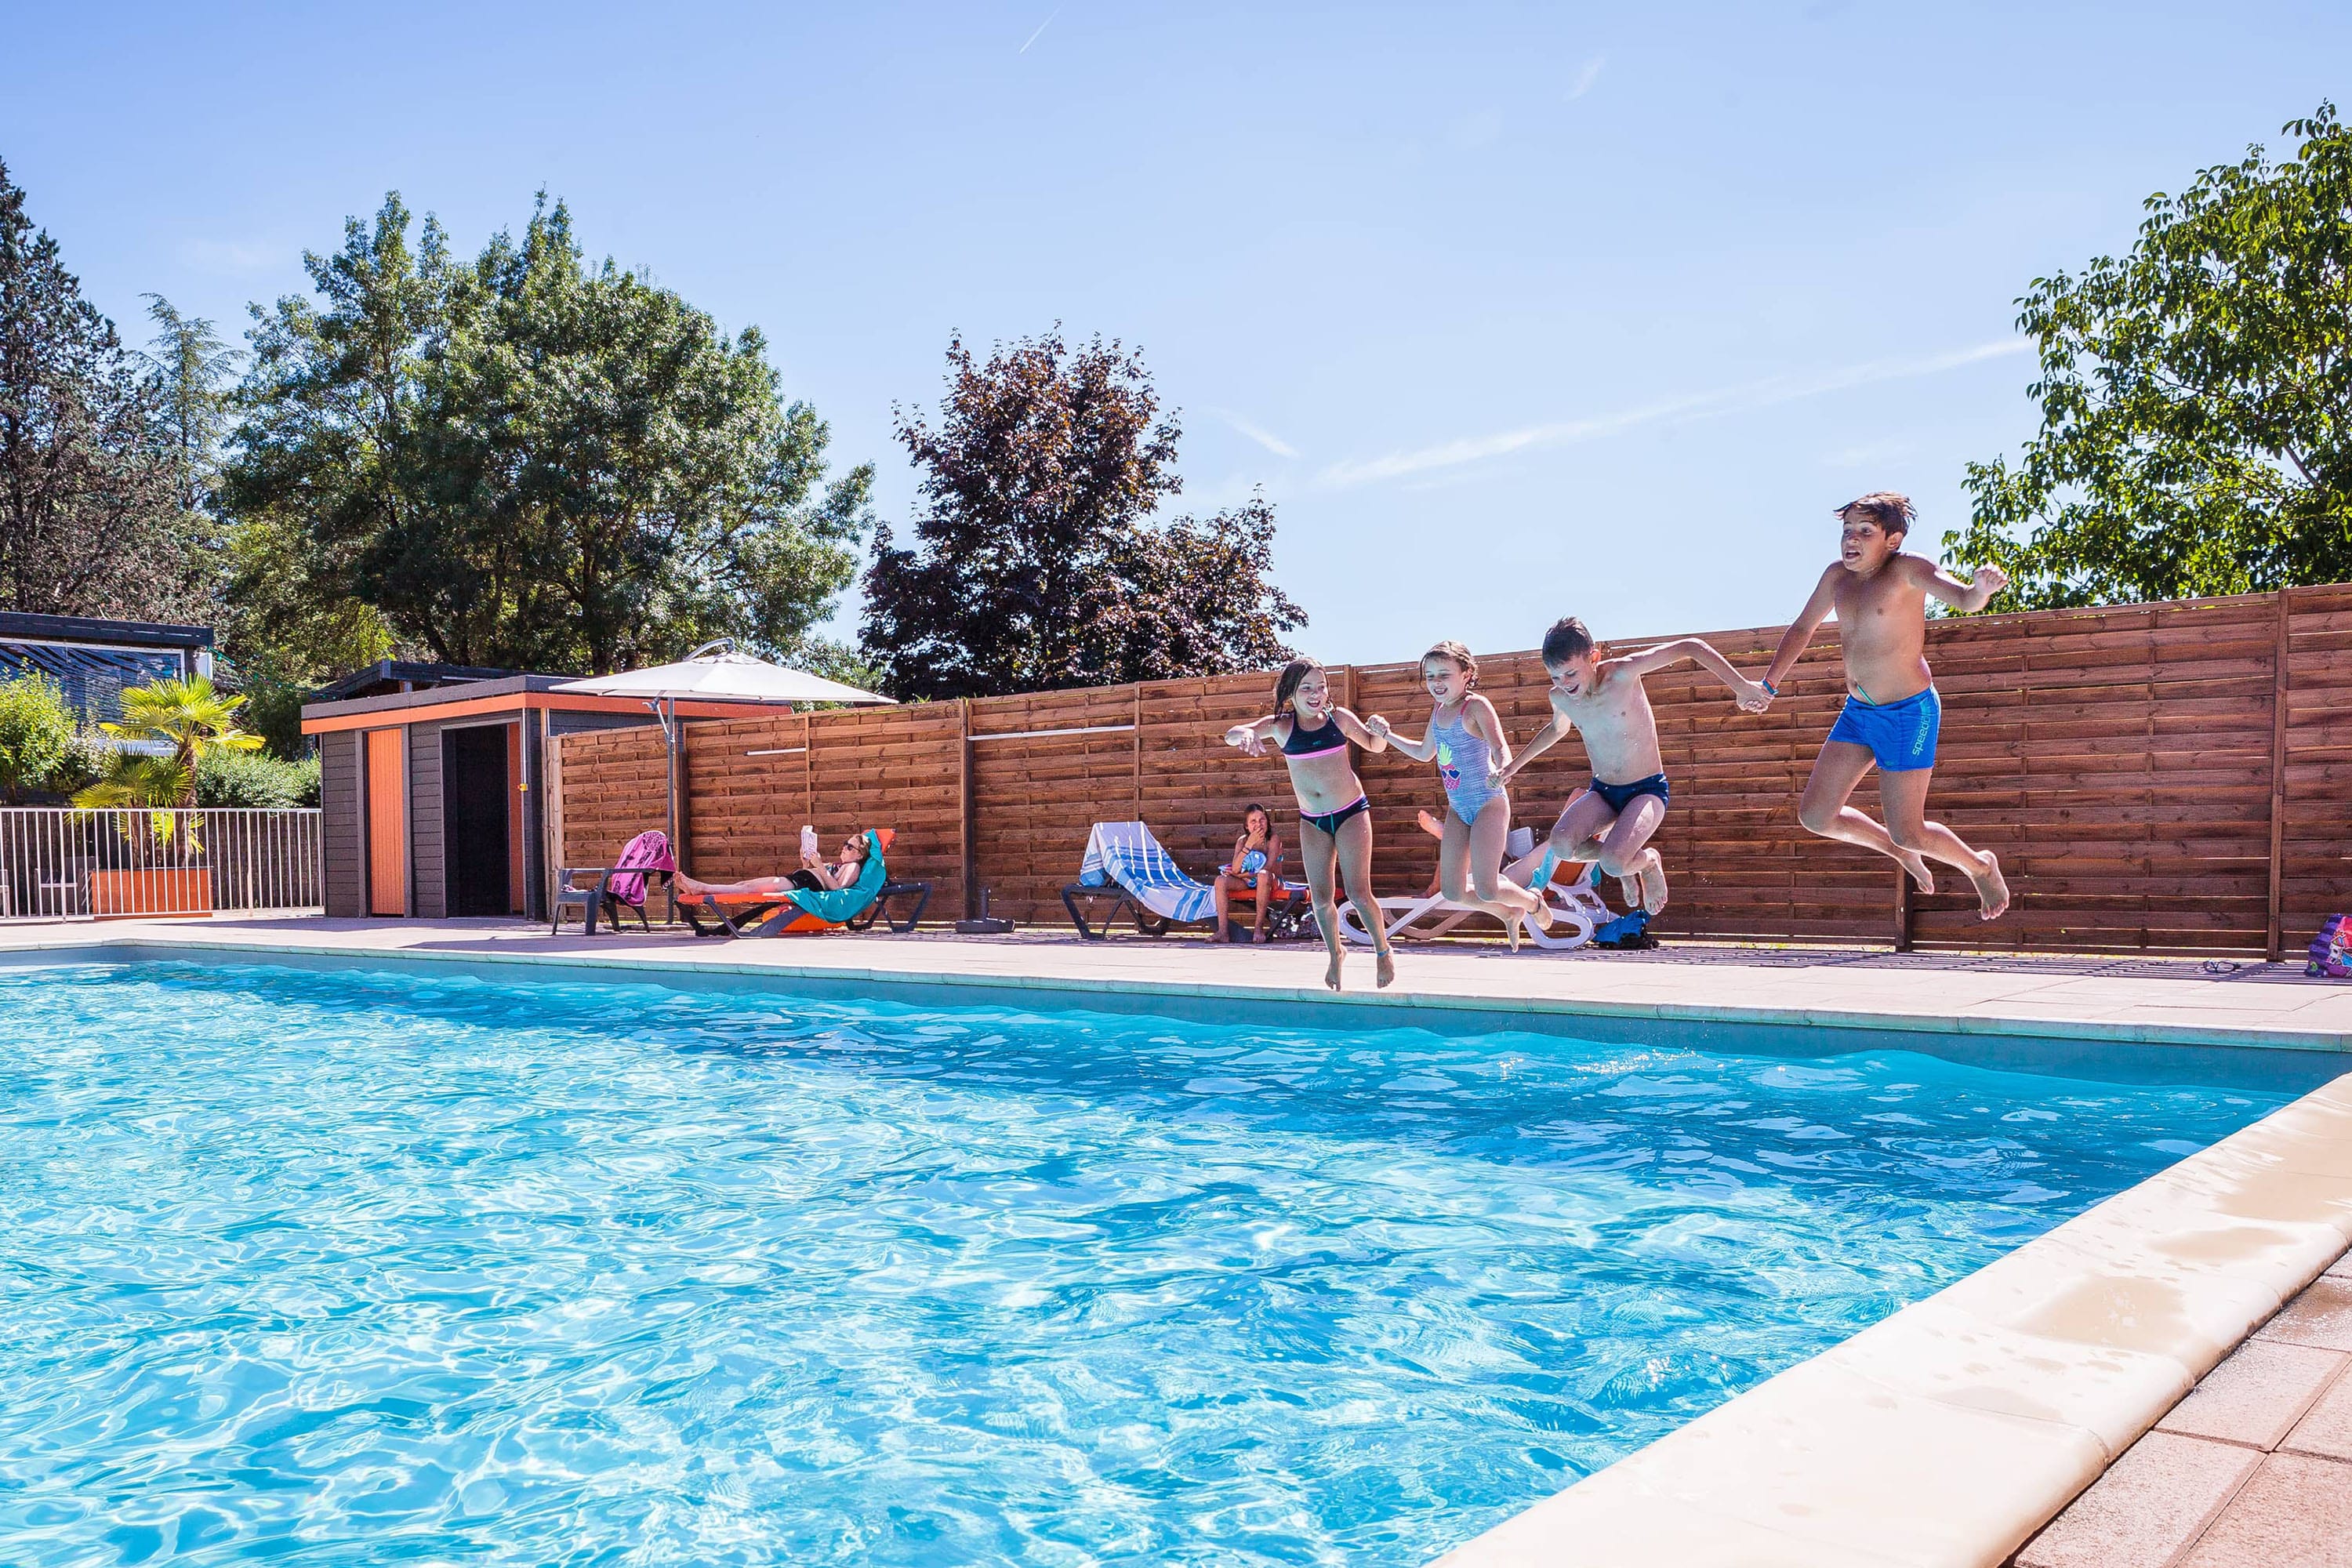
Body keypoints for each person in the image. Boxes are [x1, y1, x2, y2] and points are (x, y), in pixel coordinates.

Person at [1756, 491, 2011, 920]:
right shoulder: (1836, 578)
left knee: (1911, 829)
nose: (1850, 540)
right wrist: (1769, 683)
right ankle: (1896, 850)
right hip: (1859, 713)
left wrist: (1980, 589)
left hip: (1910, 714)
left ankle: (1980, 865)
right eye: (1846, 531)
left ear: (1891, 541)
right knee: (1817, 816)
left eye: (1865, 532)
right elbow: (1802, 628)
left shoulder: (1909, 569)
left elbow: (1964, 600)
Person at [1499, 617, 1770, 914]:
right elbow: (1556, 730)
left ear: (1594, 657)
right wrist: (1514, 765)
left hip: (1647, 790)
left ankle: (1648, 861)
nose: (1564, 684)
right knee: (1562, 845)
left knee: (1613, 862)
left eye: (1570, 673)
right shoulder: (1561, 699)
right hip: (1603, 792)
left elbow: (1691, 647)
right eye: (1555, 678)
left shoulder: (1623, 673)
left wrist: (1742, 687)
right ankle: (1627, 866)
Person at [1225, 657, 1399, 989]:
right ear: (1290, 692)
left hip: (1351, 813)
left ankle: (1382, 951)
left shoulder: (1340, 720)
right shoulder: (1283, 726)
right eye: (1307, 688)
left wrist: (1381, 732)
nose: (1316, 693)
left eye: (1321, 687)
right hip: (1313, 821)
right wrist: (1245, 733)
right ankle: (1336, 954)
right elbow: (1233, 733)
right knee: (1320, 898)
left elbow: (1375, 747)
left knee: (1359, 893)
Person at [1364, 641, 1552, 940]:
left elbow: (1499, 745)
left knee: (1487, 886)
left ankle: (1532, 901)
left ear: (1466, 674)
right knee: (1452, 891)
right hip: (1458, 808)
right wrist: (1386, 735)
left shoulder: (1475, 706)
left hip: (1488, 802)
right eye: (1430, 677)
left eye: (1444, 675)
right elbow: (1425, 752)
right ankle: (1507, 911)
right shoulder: (1438, 711)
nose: (1436, 683)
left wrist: (1504, 769)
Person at [675, 831, 870, 899]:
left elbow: (837, 889)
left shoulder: (853, 867)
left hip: (802, 886)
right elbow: (819, 876)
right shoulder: (842, 864)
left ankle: (700, 888)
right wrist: (805, 862)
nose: (844, 848)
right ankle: (698, 889)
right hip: (800, 880)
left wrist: (819, 865)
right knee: (745, 885)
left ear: (859, 854)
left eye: (850, 847)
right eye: (845, 844)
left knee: (748, 889)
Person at [1214, 804, 1287, 943]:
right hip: (1248, 881)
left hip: (1272, 881)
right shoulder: (1242, 841)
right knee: (1220, 880)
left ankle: (1258, 927)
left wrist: (1241, 875)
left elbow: (1268, 867)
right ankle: (1223, 932)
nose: (1258, 824)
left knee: (1263, 874)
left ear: (1268, 822)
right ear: (1247, 826)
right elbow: (1235, 868)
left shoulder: (1273, 839)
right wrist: (1249, 845)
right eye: (1253, 821)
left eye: (1262, 820)